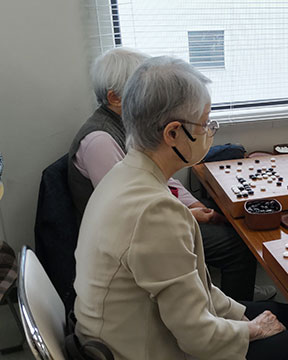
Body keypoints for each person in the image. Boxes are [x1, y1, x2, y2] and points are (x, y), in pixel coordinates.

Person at [73, 56, 288, 360]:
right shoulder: (155, 212)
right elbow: (197, 338)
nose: (209, 131)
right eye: (205, 123)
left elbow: (197, 287)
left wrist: (243, 317)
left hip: (126, 327)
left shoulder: (124, 174)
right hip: (136, 348)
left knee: (285, 315)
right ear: (173, 133)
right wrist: (252, 330)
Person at [68, 47, 274, 301]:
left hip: (153, 223)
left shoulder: (134, 132)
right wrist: (187, 214)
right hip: (128, 248)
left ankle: (234, 297)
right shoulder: (100, 140)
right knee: (235, 243)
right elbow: (133, 212)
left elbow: (163, 176)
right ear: (115, 97)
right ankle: (239, 298)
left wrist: (193, 204)